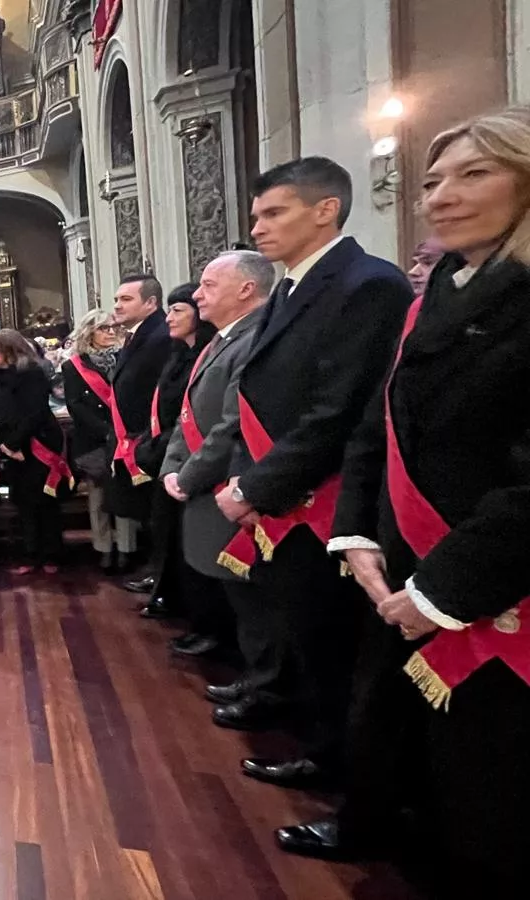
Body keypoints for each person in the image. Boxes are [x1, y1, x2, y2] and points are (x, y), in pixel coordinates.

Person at [278, 109, 530, 888]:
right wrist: (357, 532)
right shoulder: (436, 298)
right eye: (432, 181)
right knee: (399, 734)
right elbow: (377, 423)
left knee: (488, 782)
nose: (442, 197)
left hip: (489, 579)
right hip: (402, 560)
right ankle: (384, 829)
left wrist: (442, 588)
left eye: (474, 174)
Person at [211, 157, 412, 803]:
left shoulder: (367, 284)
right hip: (286, 498)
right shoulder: (293, 286)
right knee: (308, 643)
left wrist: (254, 487)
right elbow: (261, 397)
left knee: (337, 651)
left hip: (326, 500)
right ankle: (321, 756)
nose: (258, 228)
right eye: (256, 216)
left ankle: (352, 792)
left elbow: (340, 408)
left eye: (274, 213)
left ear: (326, 210)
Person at [161, 253, 277, 726]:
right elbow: (187, 414)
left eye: (209, 285)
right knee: (240, 602)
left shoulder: (255, 338)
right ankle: (254, 679)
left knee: (257, 606)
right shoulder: (221, 341)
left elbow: (232, 424)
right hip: (205, 483)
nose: (197, 294)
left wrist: (188, 476)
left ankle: (266, 691)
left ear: (246, 289)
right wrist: (172, 467)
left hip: (230, 486)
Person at [130, 283, 217, 620]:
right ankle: (167, 591)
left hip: (192, 458)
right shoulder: (177, 354)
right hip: (168, 454)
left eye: (178, 310)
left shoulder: (208, 353)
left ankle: (192, 609)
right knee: (164, 529)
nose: (169, 318)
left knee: (187, 537)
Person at [0, 329, 69, 574]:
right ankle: (29, 552)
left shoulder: (32, 373)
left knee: (45, 501)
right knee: (22, 502)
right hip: (13, 447)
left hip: (38, 442)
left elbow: (35, 412)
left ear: (9, 351)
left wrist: (14, 444)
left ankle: (52, 554)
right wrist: (6, 444)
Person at [103, 273, 171, 562]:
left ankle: (161, 576)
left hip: (149, 439)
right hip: (137, 440)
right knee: (148, 516)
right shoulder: (140, 335)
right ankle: (155, 571)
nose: (117, 305)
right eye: (116, 299)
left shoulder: (161, 337)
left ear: (151, 303)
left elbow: (162, 393)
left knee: (159, 516)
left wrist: (145, 438)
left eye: (126, 299)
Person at [62, 308, 136, 571]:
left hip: (125, 437)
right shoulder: (73, 366)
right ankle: (104, 547)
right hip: (94, 440)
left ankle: (127, 548)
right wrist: (106, 431)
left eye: (113, 328)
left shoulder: (126, 358)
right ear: (89, 332)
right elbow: (75, 405)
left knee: (124, 493)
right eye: (104, 328)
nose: (111, 332)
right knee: (98, 498)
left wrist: (121, 431)